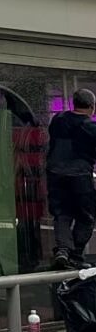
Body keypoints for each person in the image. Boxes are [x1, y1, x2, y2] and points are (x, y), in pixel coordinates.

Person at [49, 89, 96, 269]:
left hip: (55, 176)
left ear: (72, 104)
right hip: (79, 177)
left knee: (62, 214)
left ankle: (62, 251)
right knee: (86, 216)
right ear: (92, 107)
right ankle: (75, 255)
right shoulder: (90, 127)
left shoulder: (57, 120)